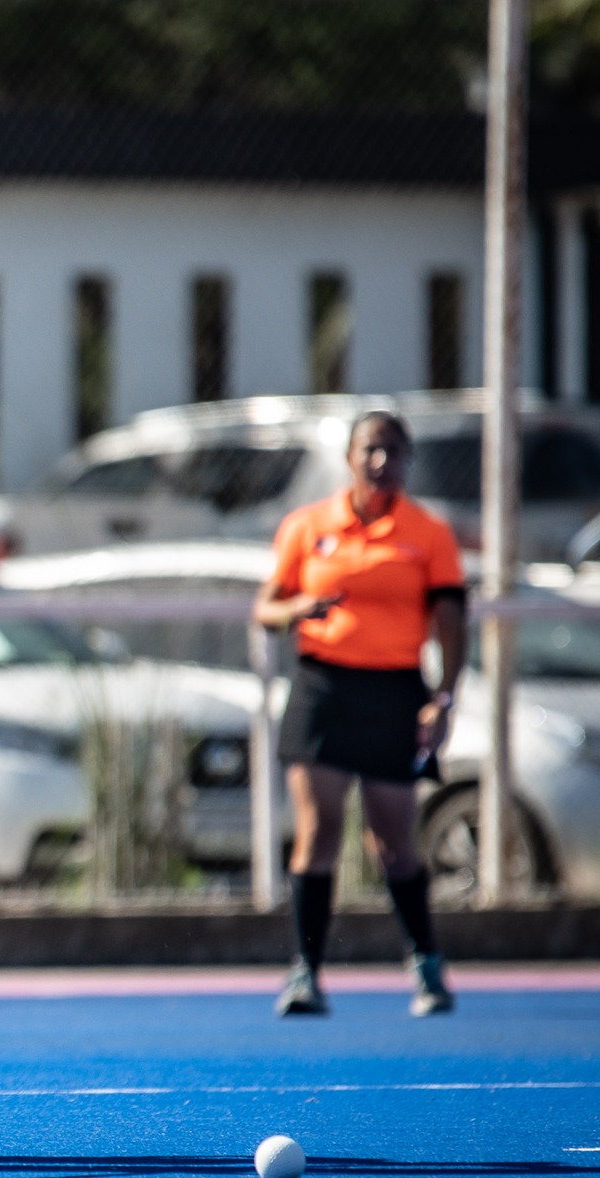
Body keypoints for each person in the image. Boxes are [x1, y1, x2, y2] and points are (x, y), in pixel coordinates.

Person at [254, 410, 465, 1018]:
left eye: (393, 451)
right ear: (349, 457)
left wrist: (442, 698)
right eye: (370, 449)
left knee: (393, 840)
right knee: (318, 831)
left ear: (408, 461)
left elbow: (452, 622)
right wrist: (298, 608)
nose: (381, 461)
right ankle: (306, 971)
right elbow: (266, 608)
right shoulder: (308, 526)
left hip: (393, 691)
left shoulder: (428, 533)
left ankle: (426, 965)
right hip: (324, 687)